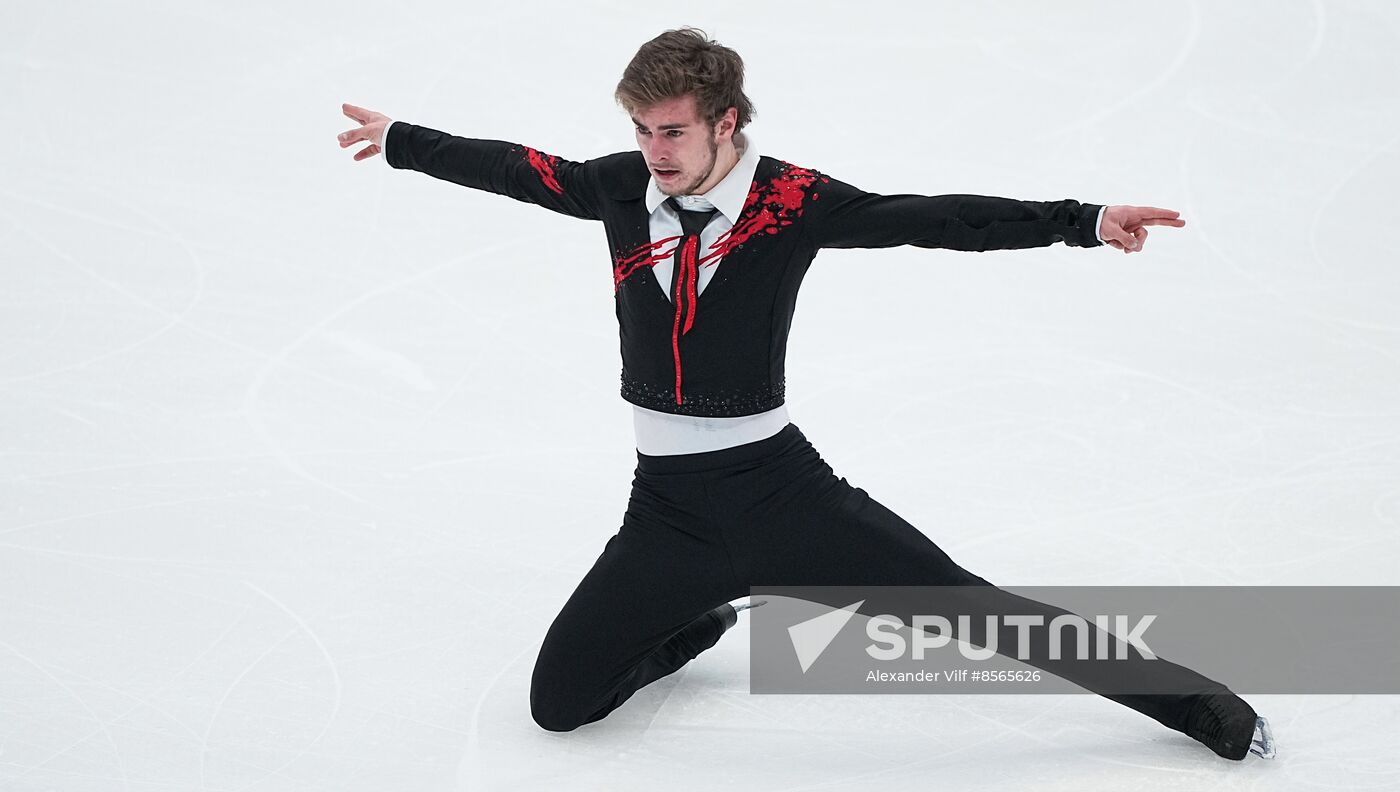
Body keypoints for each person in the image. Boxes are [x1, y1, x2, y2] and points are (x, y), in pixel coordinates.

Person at [338, 26, 1274, 762]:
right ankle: (697, 616)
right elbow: (516, 169)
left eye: (672, 130)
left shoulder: (792, 202)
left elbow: (936, 220)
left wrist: (1083, 221)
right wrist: (403, 142)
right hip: (666, 513)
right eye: (640, 129)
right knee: (558, 705)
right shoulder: (622, 188)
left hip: (784, 496)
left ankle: (1198, 702)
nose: (653, 150)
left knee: (977, 608)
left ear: (726, 123)